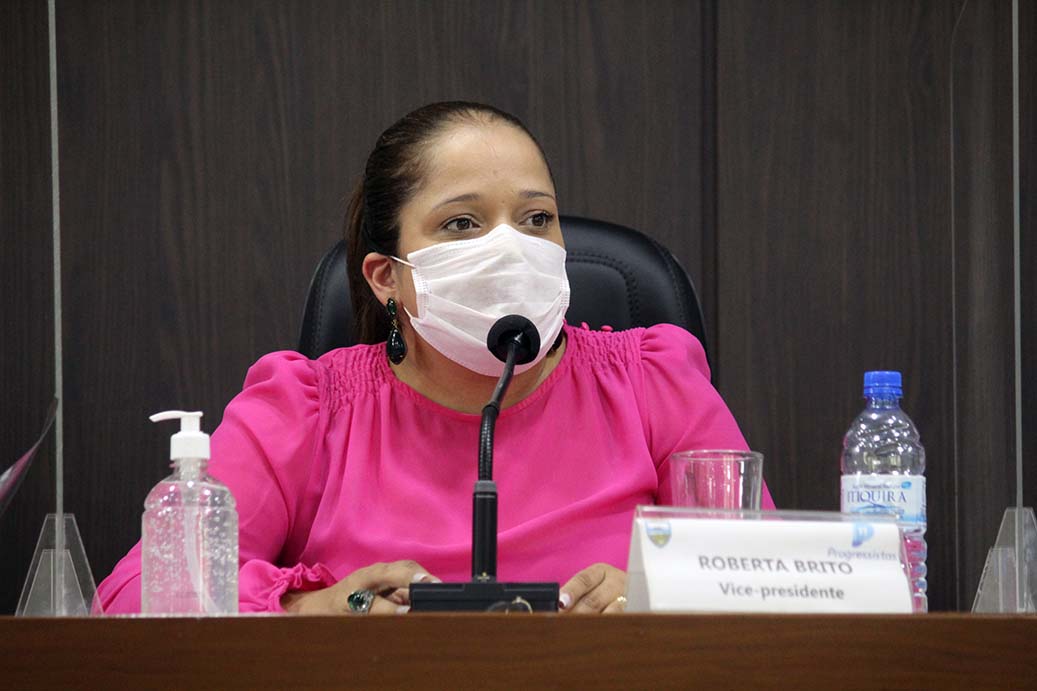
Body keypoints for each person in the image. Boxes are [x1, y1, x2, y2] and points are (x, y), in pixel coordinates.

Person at [97, 101, 774, 615]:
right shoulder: (306, 410)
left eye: (536, 219)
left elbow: (770, 584)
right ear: (386, 277)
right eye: (462, 223)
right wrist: (311, 609)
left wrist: (659, 599)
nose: (510, 248)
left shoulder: (653, 383)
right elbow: (134, 597)